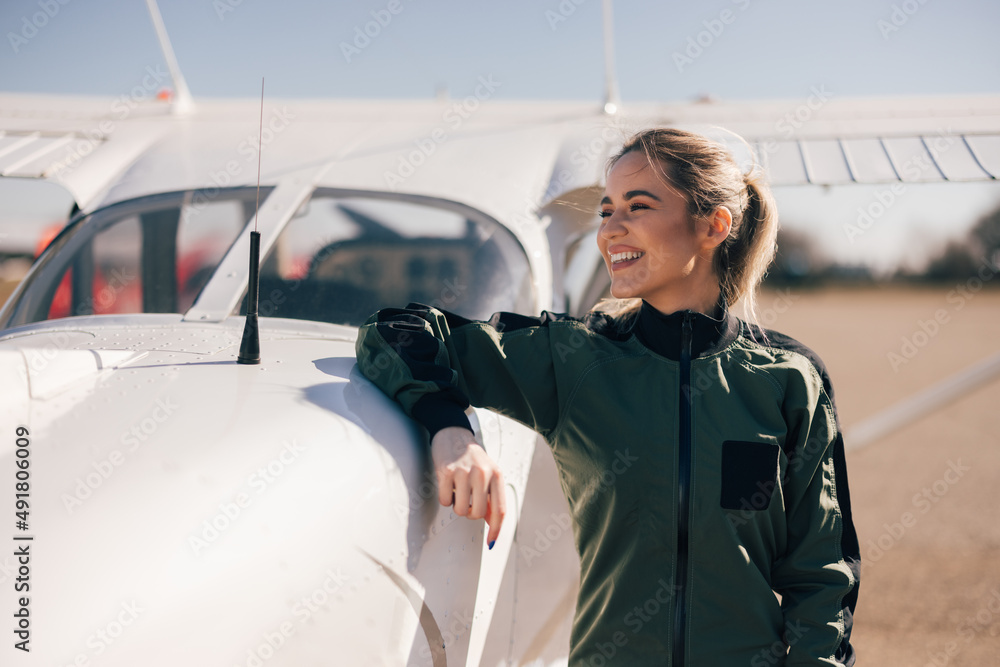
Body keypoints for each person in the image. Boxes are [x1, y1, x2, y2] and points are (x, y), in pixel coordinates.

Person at [355, 127, 860, 666]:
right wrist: (450, 429)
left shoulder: (788, 379)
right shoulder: (574, 359)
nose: (611, 230)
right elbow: (396, 332)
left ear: (714, 226)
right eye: (605, 210)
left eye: (637, 207)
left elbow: (821, 573)